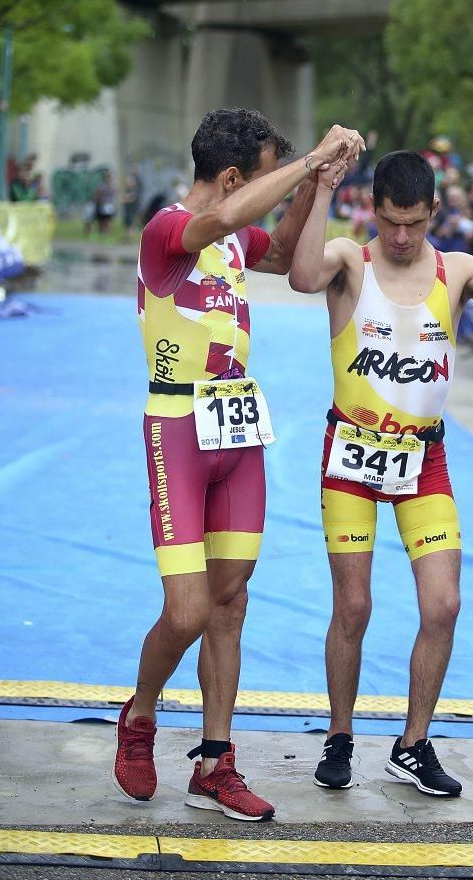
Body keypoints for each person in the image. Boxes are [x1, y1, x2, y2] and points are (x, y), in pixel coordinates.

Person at [113, 108, 364, 822]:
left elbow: (282, 254)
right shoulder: (168, 231)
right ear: (231, 179)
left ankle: (215, 760)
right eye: (260, 179)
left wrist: (319, 183)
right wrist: (308, 161)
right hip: (178, 428)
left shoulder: (235, 237)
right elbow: (223, 224)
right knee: (188, 609)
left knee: (230, 602)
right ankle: (141, 712)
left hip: (238, 431)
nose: (266, 190)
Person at [289, 149, 473, 798]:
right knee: (353, 605)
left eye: (413, 222)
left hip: (423, 457)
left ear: (434, 211)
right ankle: (340, 733)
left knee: (444, 603)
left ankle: (412, 743)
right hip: (352, 451)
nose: (401, 237)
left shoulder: (455, 270)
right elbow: (300, 276)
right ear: (370, 210)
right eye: (389, 222)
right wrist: (322, 186)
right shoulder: (352, 260)